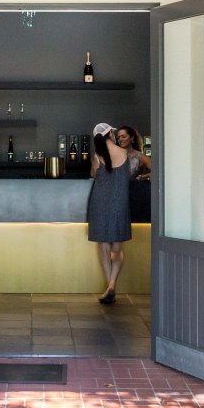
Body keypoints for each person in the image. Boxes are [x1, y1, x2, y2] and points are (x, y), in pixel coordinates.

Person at [87, 122, 131, 305]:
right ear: (110, 134)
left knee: (104, 247)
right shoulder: (125, 153)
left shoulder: (97, 156)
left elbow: (94, 175)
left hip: (100, 204)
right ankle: (112, 285)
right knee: (117, 248)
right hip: (120, 203)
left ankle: (110, 286)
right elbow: (128, 175)